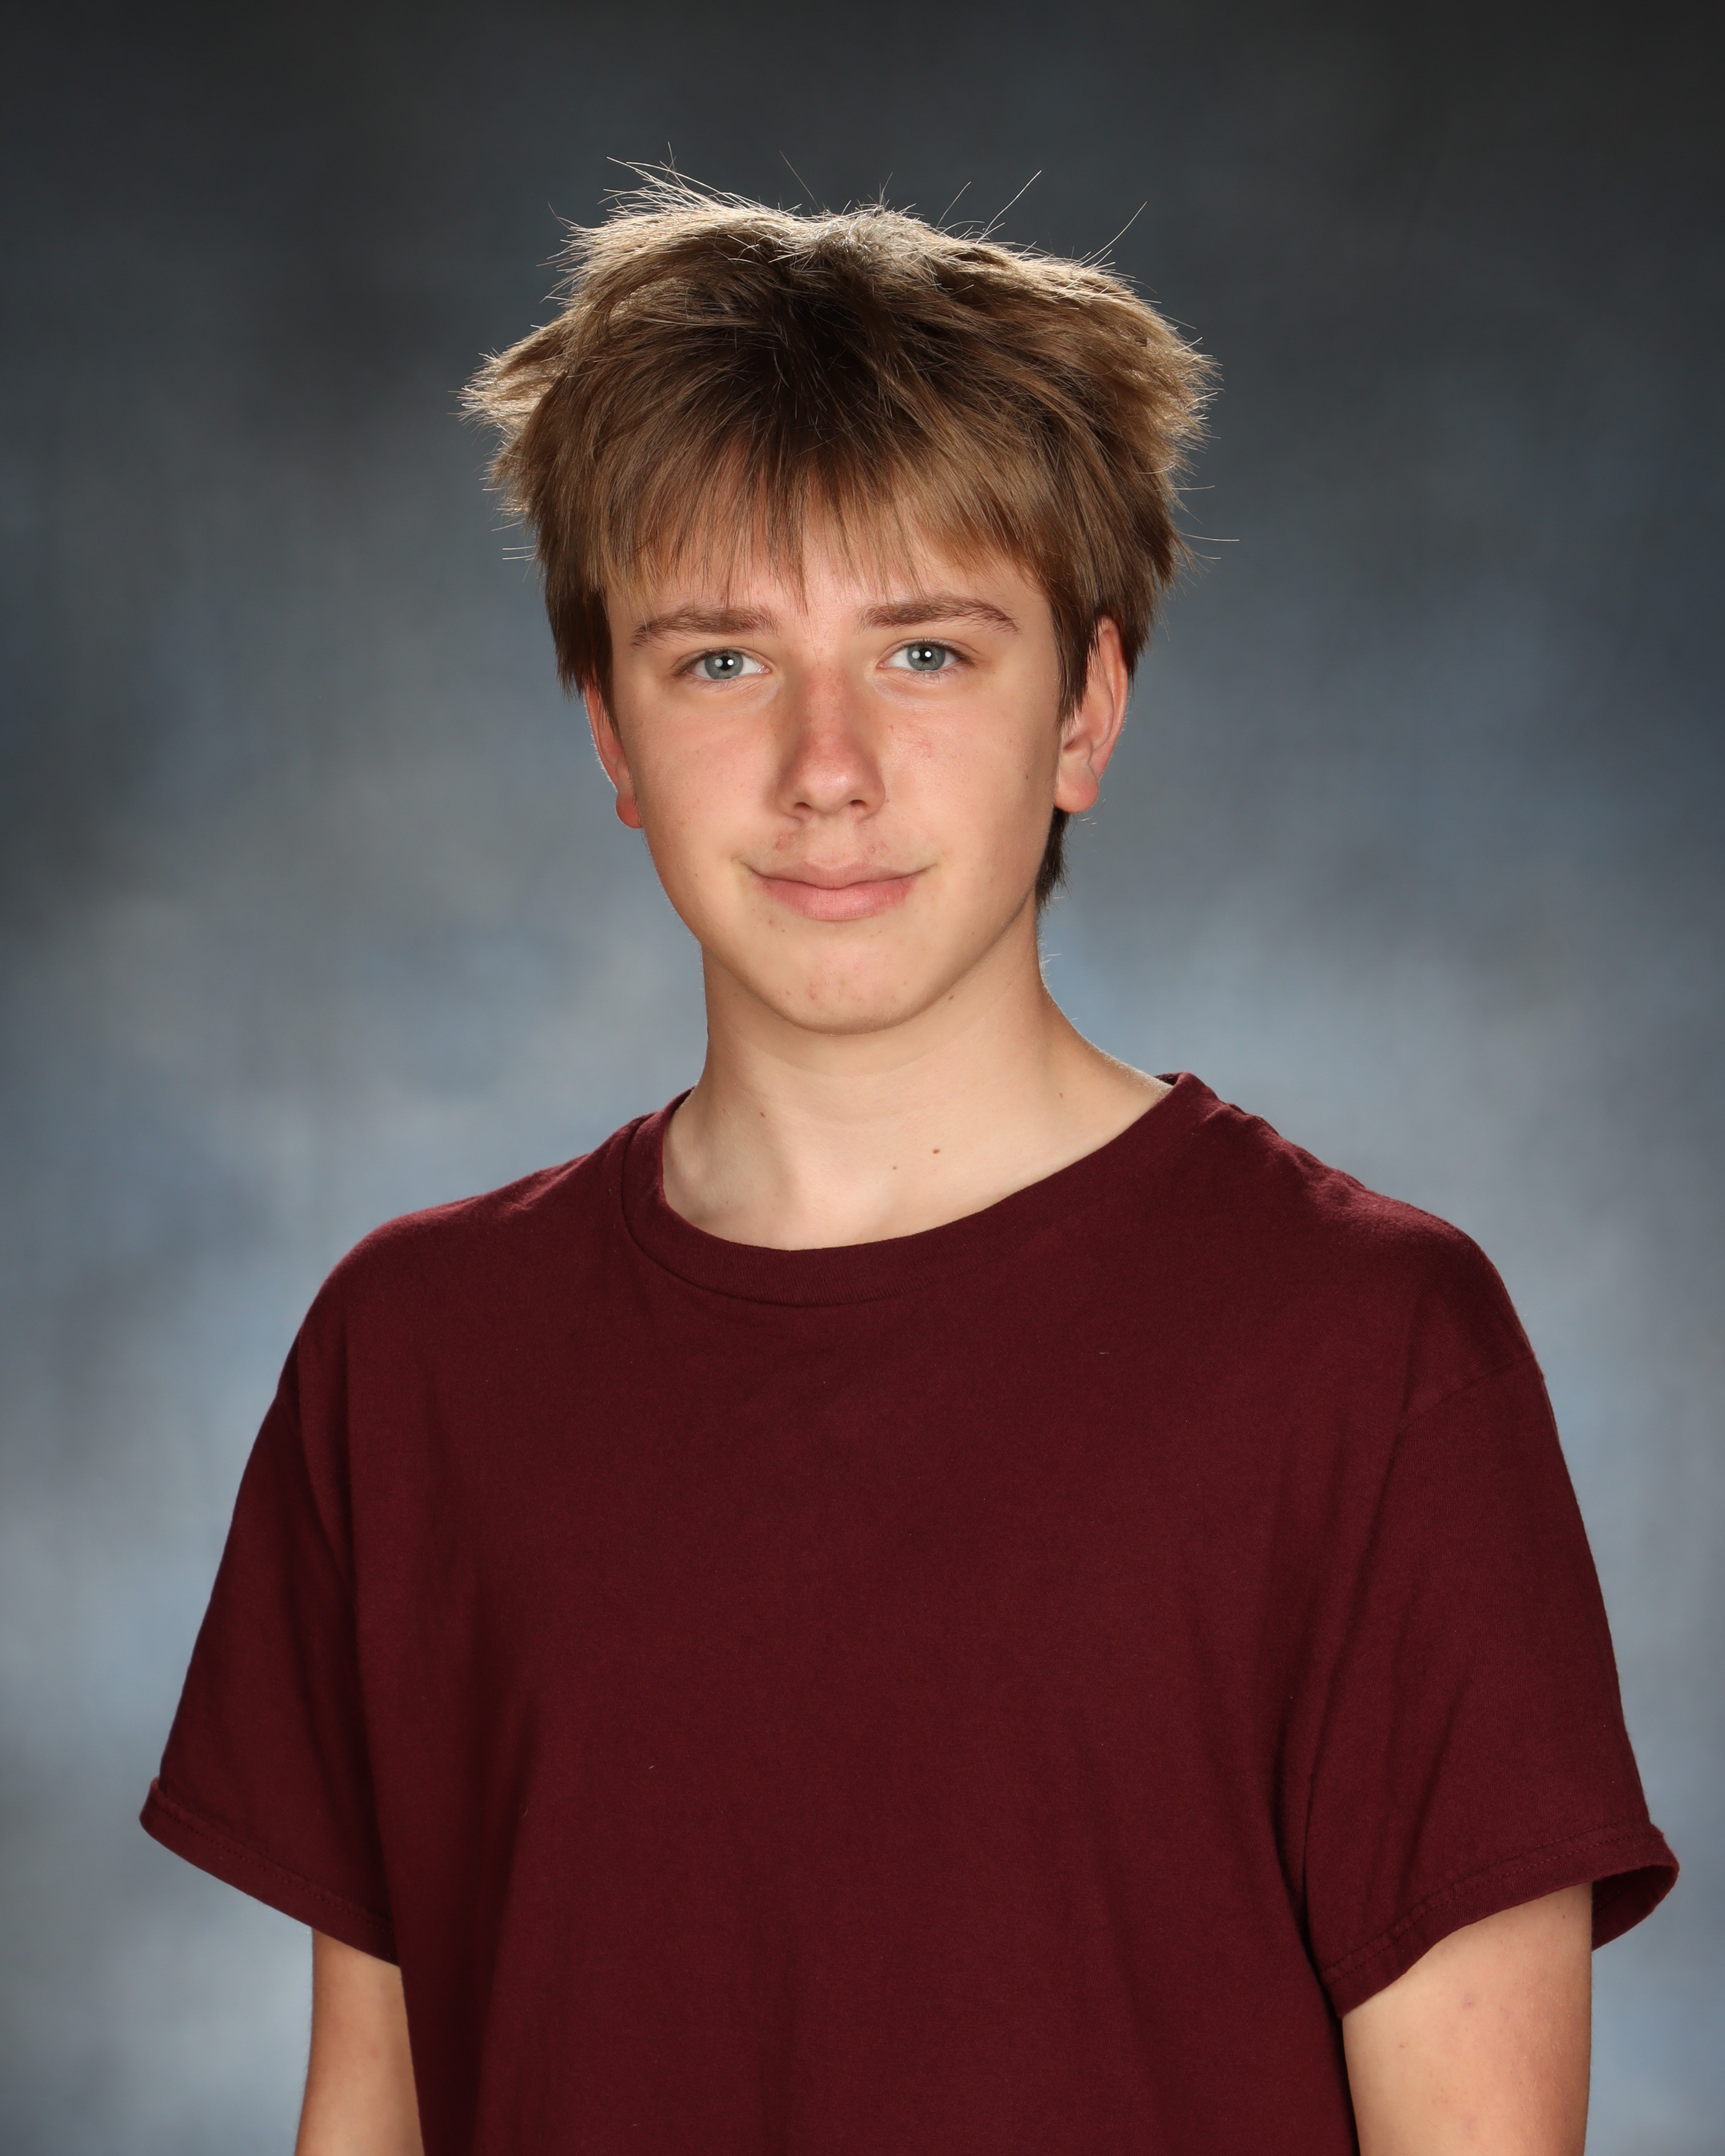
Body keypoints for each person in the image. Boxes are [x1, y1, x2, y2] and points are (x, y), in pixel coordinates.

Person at [142, 179, 1676, 2156]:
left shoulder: (1368, 1355)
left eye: (928, 652)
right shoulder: (410, 1360)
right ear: (609, 733)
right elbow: (374, 2109)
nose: (827, 768)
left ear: (1085, 713)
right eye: (720, 662)